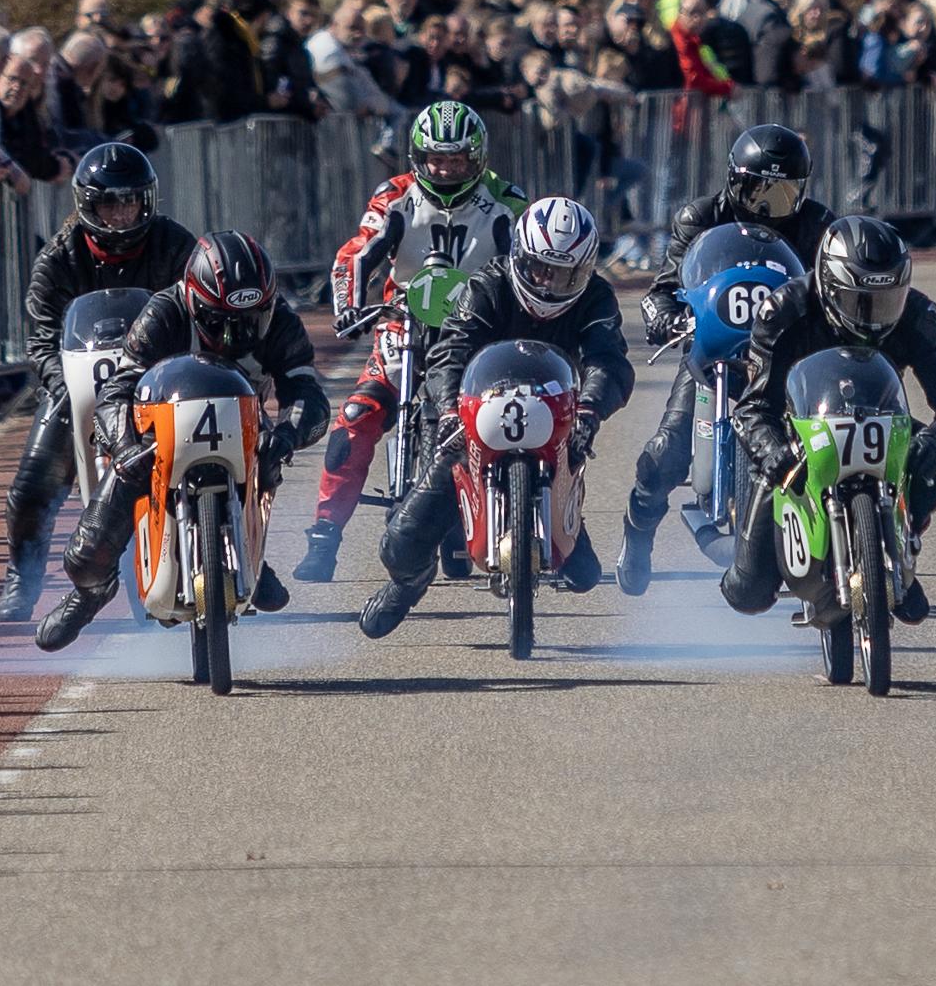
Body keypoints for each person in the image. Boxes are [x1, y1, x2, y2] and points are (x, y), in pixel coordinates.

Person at [34, 233, 329, 650]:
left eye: (249, 320)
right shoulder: (165, 311)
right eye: (219, 322)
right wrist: (124, 447)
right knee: (89, 548)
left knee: (268, 455)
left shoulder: (280, 316)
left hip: (243, 422)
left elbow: (306, 391)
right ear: (194, 301)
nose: (234, 336)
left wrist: (287, 435)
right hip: (159, 425)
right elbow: (118, 389)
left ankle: (249, 558)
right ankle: (89, 594)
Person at [358, 197, 635, 639]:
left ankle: (556, 526)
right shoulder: (486, 285)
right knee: (402, 542)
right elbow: (449, 353)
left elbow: (610, 362)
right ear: (519, 258)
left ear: (583, 272)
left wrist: (590, 410)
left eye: (563, 273)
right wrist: (449, 410)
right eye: (540, 267)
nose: (547, 282)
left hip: (553, 420)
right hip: (469, 416)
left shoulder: (597, 297)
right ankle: (407, 585)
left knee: (583, 574)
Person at [296, 104, 527, 580]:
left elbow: (527, 264)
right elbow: (358, 253)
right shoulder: (395, 196)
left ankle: (508, 518)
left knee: (504, 416)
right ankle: (323, 537)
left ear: (477, 159)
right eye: (436, 160)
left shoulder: (505, 200)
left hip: (477, 329)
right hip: (405, 321)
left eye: (458, 160)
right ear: (418, 157)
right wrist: (348, 306)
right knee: (355, 417)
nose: (445, 170)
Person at [723, 217, 936, 621]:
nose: (875, 317)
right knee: (748, 593)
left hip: (883, 430)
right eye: (859, 301)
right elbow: (751, 407)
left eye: (887, 301)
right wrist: (772, 452)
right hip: (800, 437)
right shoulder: (783, 311)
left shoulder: (919, 315)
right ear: (827, 286)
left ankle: (900, 544)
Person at [616, 125, 838, 595]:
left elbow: (836, 287)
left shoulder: (819, 226)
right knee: (665, 452)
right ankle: (638, 536)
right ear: (734, 181)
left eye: (781, 193)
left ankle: (834, 547)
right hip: (713, 344)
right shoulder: (700, 216)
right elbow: (663, 286)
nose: (766, 205)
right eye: (757, 189)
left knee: (819, 444)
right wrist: (665, 316)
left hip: (786, 354)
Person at [0, 145, 195, 620]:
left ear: (147, 201)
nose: (122, 213)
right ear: (87, 204)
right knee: (32, 484)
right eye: (109, 203)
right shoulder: (58, 258)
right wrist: (64, 384)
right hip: (80, 388)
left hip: (157, 384)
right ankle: (23, 571)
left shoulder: (174, 243)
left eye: (130, 201)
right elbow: (40, 338)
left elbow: (200, 305)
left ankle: (214, 556)